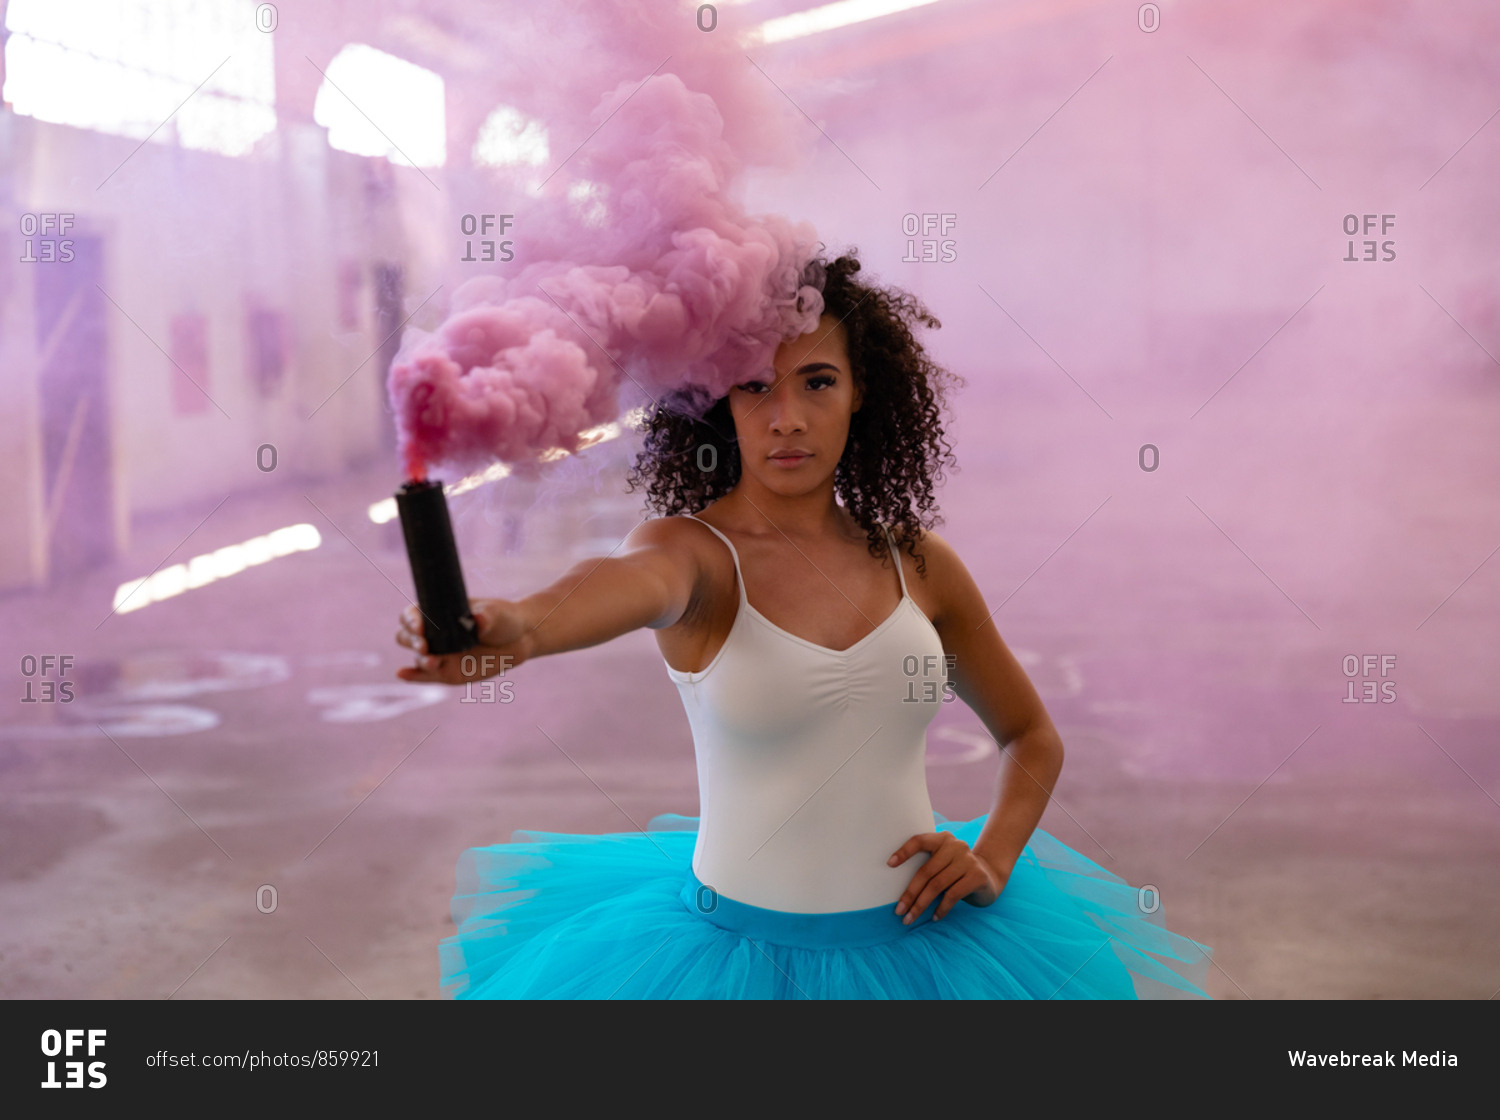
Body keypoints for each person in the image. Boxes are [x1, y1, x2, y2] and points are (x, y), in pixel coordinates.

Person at [396, 252, 1212, 999]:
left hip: (930, 959)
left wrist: (995, 856)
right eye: (755, 385)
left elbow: (1032, 733)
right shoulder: (692, 554)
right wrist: (521, 626)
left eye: (818, 381)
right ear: (719, 405)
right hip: (728, 967)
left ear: (863, 393)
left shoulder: (918, 563)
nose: (786, 416)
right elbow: (613, 586)